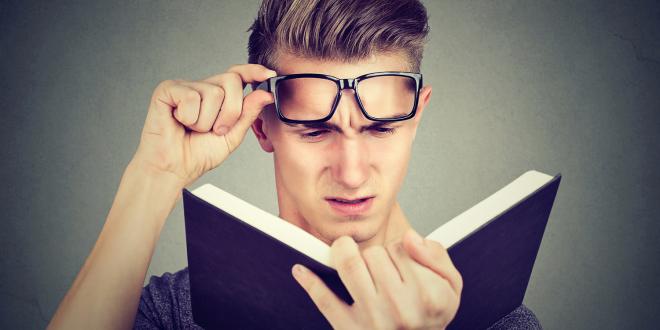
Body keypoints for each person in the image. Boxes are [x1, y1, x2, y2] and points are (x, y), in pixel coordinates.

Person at [49, 0, 542, 329]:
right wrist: (153, 176)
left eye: (380, 128)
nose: (351, 173)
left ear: (416, 118)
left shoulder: (497, 321)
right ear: (263, 127)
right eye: (315, 130)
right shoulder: (184, 311)